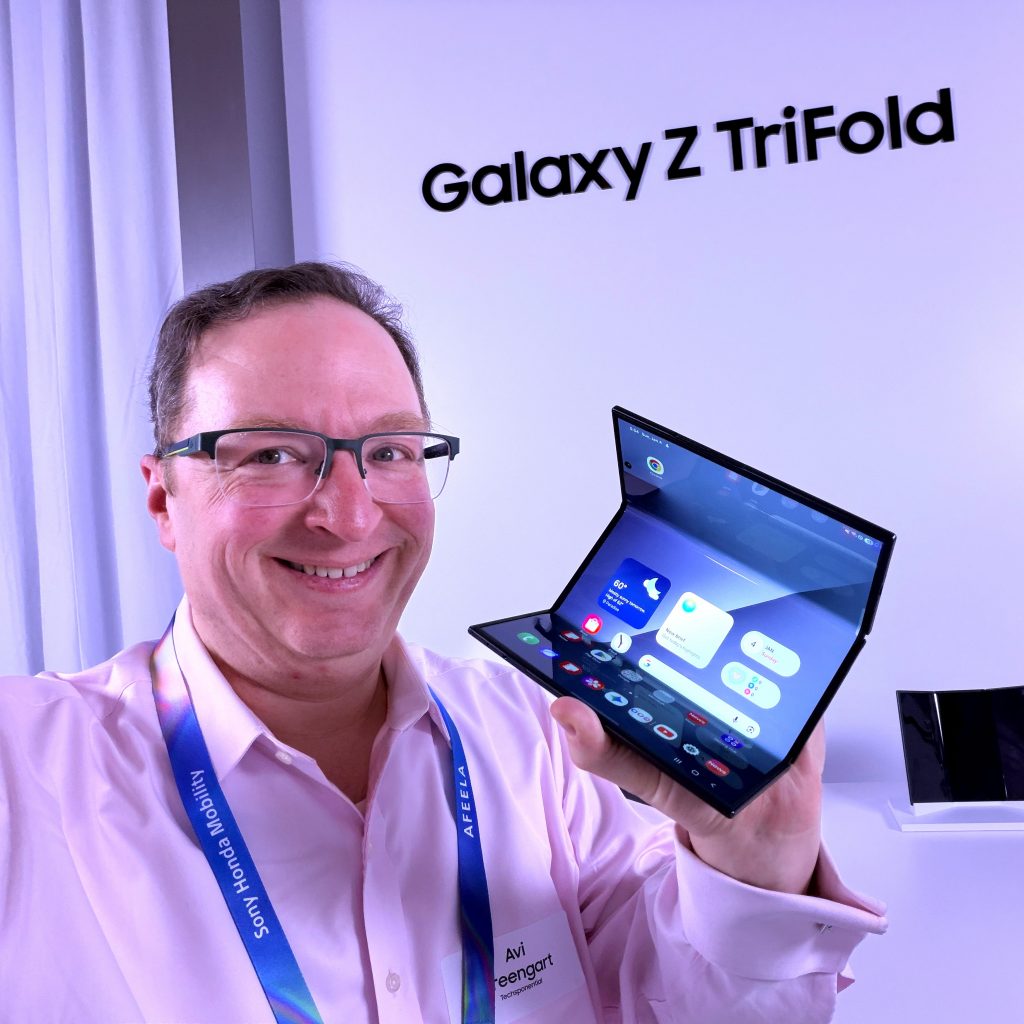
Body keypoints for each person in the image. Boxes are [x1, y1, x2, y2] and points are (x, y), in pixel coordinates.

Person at [0, 262, 886, 1023]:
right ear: (164, 498)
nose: (349, 516)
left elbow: (683, 1005)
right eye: (270, 454)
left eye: (389, 451)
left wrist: (757, 872)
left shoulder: (534, 734)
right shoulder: (27, 769)